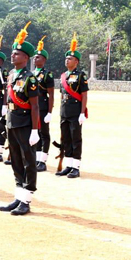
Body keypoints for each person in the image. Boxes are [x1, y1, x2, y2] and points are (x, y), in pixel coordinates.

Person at [0, 23, 40, 216]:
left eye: (17, 53)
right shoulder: (12, 75)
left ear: (25, 57)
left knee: (28, 160)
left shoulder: (30, 78)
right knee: (15, 159)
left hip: (24, 123)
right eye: (13, 53)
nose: (13, 55)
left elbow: (35, 105)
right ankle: (18, 196)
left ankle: (27, 200)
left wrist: (34, 130)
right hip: (12, 121)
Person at [56, 34, 89, 178]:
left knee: (76, 139)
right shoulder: (63, 75)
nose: (67, 60)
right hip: (64, 112)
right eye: (66, 58)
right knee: (66, 139)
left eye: (70, 58)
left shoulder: (81, 75)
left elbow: (84, 95)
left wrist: (82, 113)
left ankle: (76, 167)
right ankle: (68, 165)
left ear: (76, 62)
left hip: (75, 111)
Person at [33, 37, 54, 172]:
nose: (36, 59)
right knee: (35, 132)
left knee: (44, 133)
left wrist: (50, 112)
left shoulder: (47, 75)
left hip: (43, 106)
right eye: (35, 57)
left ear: (44, 60)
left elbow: (51, 94)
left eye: (39, 57)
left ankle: (43, 160)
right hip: (33, 107)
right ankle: (36, 157)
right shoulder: (30, 74)